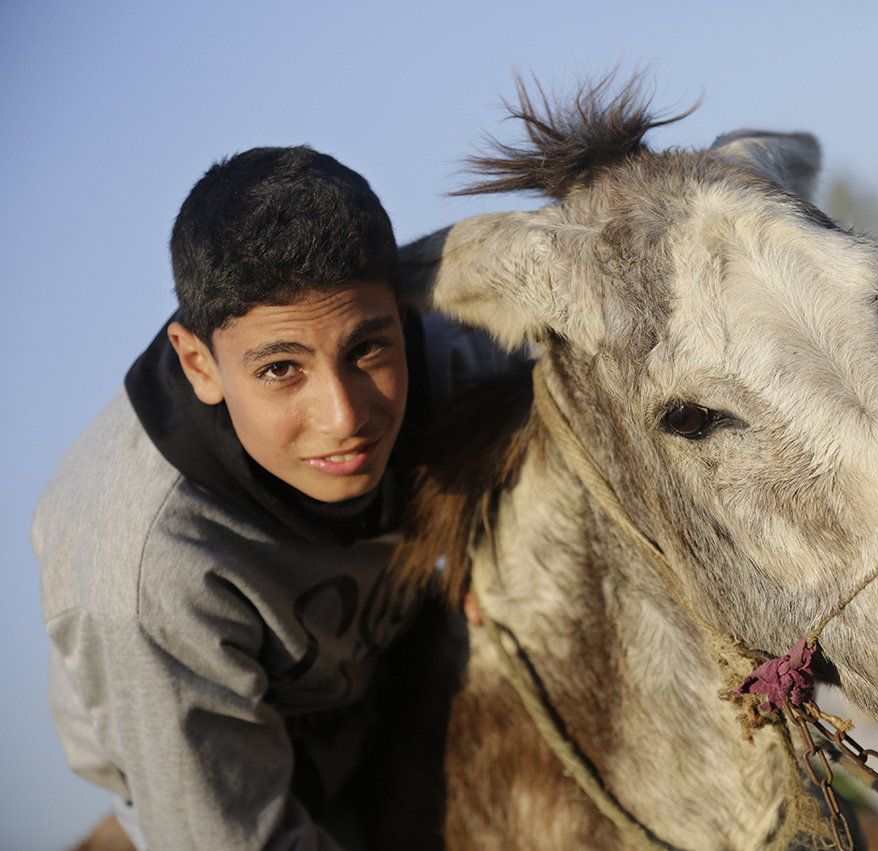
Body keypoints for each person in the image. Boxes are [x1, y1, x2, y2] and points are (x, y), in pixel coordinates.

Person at [33, 146, 517, 850]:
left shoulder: (452, 360)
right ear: (200, 364)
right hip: (215, 790)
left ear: (401, 316)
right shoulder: (146, 565)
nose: (344, 416)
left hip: (387, 702)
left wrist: (497, 526)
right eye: (282, 368)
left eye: (367, 351)